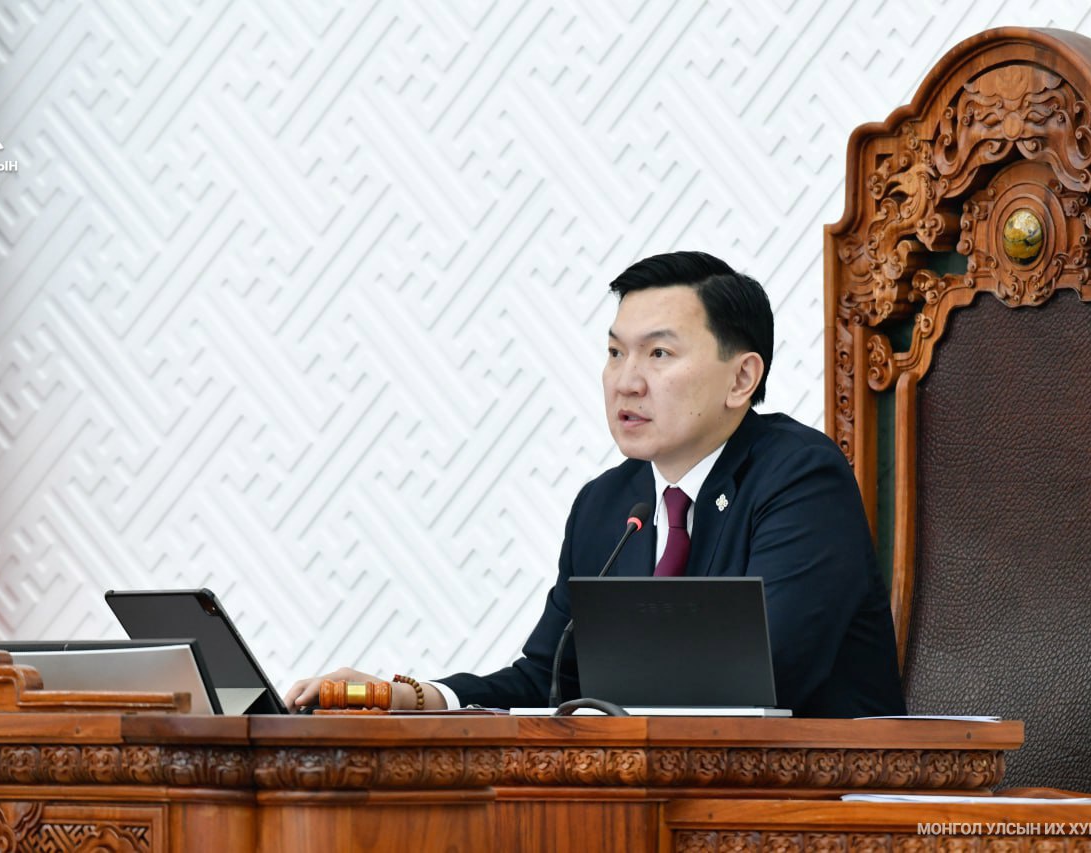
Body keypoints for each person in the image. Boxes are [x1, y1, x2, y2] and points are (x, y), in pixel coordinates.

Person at [286, 251, 905, 717]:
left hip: (815, 804)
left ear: (741, 379)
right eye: (614, 353)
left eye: (658, 355)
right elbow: (551, 680)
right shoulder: (607, 506)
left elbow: (765, 675)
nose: (626, 382)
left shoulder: (801, 478)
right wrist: (412, 698)